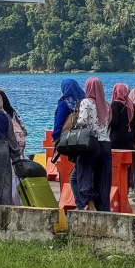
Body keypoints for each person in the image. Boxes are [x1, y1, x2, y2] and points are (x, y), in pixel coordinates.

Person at [76, 77, 112, 211]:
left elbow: (82, 121)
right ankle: (103, 208)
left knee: (84, 173)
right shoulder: (107, 105)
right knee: (103, 179)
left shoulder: (86, 102)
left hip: (90, 143)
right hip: (106, 144)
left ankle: (90, 204)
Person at [52, 79, 87, 209]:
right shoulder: (85, 102)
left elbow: (59, 123)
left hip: (72, 142)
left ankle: (80, 205)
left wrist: (55, 137)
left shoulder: (64, 103)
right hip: (87, 140)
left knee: (73, 178)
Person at [109, 83, 135, 150]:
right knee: (127, 159)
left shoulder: (115, 104)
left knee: (116, 160)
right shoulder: (131, 104)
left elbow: (114, 122)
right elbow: (134, 122)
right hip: (129, 137)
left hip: (117, 138)